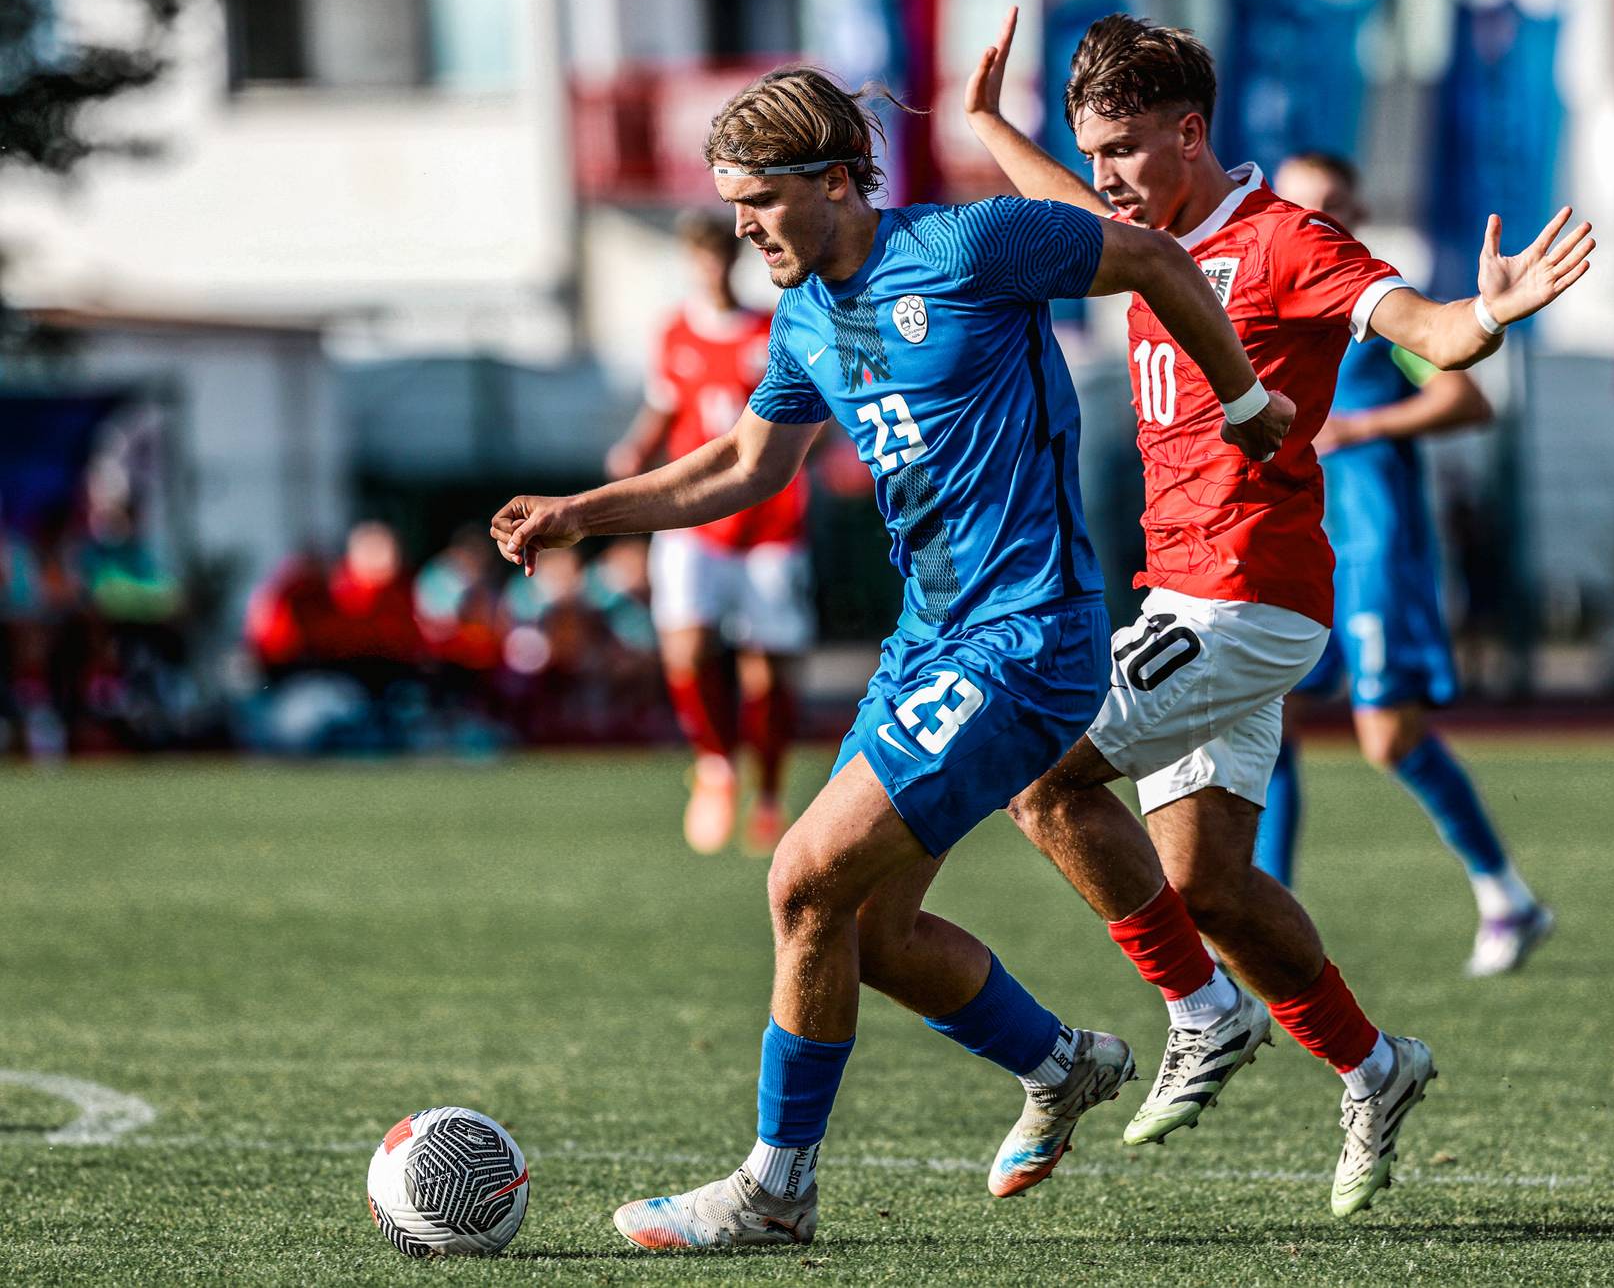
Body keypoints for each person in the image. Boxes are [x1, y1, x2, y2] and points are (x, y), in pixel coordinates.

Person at [489, 64, 1293, 1251]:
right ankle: (1059, 1064)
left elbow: (1160, 262)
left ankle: (775, 1190)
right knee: (865, 934)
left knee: (801, 881)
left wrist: (1241, 404)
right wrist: (582, 511)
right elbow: (740, 469)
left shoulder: (974, 248)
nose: (742, 226)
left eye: (759, 200)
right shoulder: (804, 315)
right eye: (730, 206)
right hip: (927, 645)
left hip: (1027, 638)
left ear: (833, 181)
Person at [964, 9, 1592, 1215]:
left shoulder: (1286, 243)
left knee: (1037, 773)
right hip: (1193, 597)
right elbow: (1062, 203)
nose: (1107, 178)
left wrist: (1489, 317)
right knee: (1209, 887)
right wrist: (991, 124)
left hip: (1246, 595)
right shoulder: (1134, 229)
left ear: (1191, 133)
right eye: (1094, 153)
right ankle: (1373, 1063)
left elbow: (1427, 332)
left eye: (1128, 151)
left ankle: (1200, 1013)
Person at [1259, 152, 1554, 978]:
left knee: (1387, 737)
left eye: (1334, 203)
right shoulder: (1269, 299)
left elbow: (1468, 396)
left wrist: (1359, 429)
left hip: (1372, 546)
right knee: (1268, 716)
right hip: (1297, 547)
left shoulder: (1373, 305)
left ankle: (1508, 896)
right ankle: (1270, 921)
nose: (1318, 215)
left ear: (1356, 209)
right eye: (1302, 201)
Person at [606, 212, 812, 854]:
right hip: (693, 518)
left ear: (733, 259)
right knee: (686, 650)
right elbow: (666, 405)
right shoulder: (673, 332)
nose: (710, 268)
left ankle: (770, 793)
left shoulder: (770, 326)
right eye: (698, 258)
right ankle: (717, 765)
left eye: (718, 256)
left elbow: (806, 408)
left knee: (767, 676)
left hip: (770, 522)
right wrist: (636, 448)